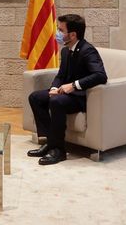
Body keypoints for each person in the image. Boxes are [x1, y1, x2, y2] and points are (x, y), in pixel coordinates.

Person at [27, 14, 107, 165]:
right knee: (35, 97)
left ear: (72, 34)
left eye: (60, 29)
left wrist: (74, 85)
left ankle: (58, 151)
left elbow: (100, 75)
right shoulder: (66, 50)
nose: (57, 33)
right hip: (65, 94)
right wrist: (55, 87)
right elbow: (61, 75)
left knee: (56, 101)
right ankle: (50, 142)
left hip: (81, 97)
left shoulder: (87, 50)